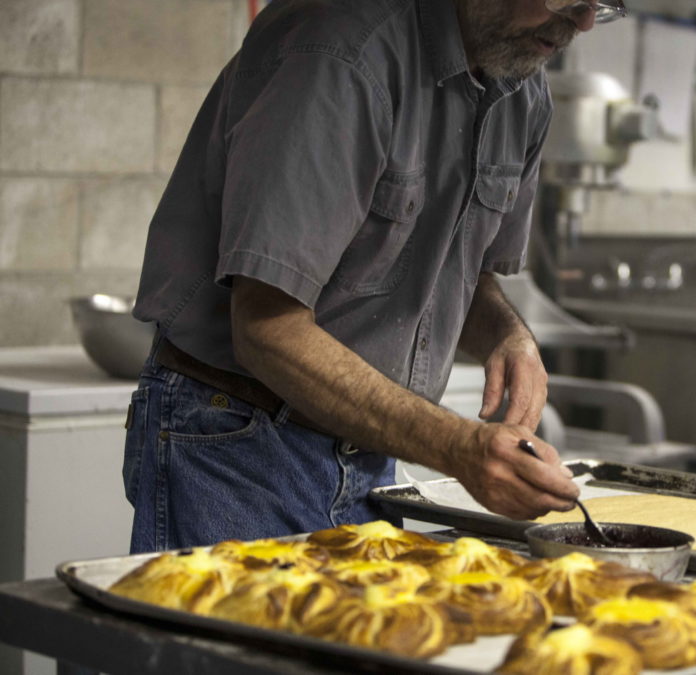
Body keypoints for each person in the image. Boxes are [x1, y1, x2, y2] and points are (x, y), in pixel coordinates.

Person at [124, 0, 628, 553]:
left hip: (368, 448)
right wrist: (459, 448)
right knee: (235, 637)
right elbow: (266, 327)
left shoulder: (519, 88)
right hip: (239, 440)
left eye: (603, 6)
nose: (581, 23)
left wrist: (509, 336)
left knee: (364, 635)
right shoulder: (338, 53)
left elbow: (463, 270)